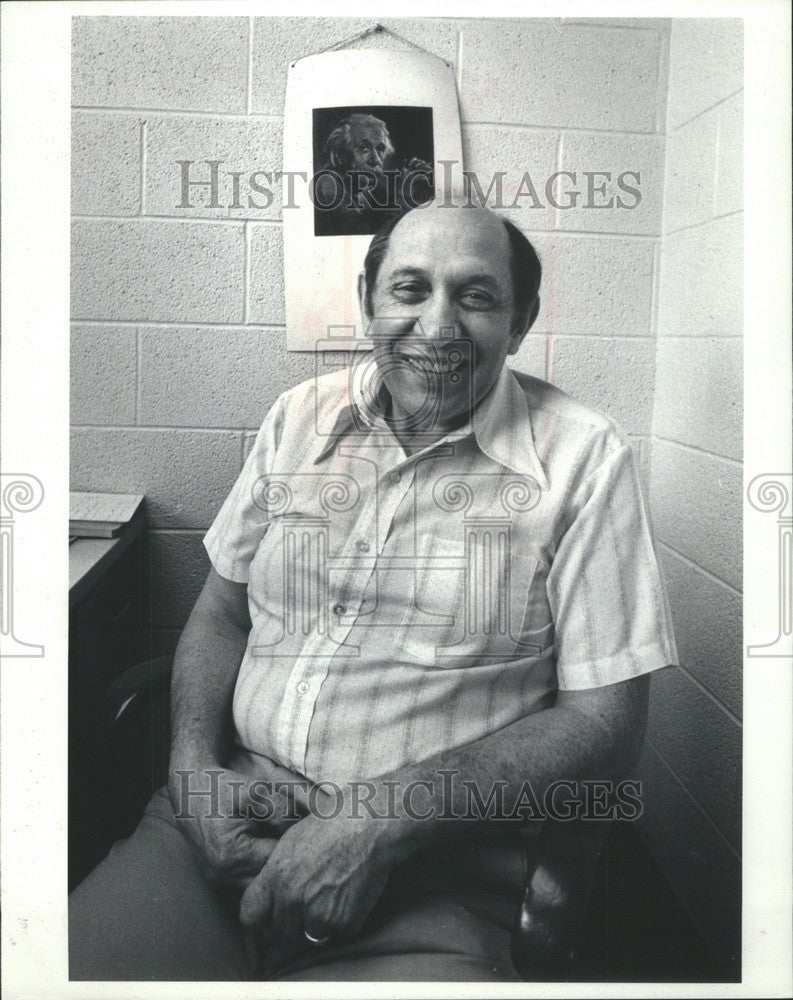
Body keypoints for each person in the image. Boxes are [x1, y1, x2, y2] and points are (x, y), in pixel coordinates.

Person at [69, 199, 677, 982]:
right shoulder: (297, 418)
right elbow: (222, 612)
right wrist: (189, 773)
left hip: (435, 876)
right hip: (216, 828)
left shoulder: (583, 460)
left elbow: (606, 724)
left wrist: (378, 818)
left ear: (520, 322)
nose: (436, 326)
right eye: (410, 289)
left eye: (476, 296)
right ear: (367, 301)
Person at [313, 112, 432, 235]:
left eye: (380, 149)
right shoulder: (328, 184)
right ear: (340, 153)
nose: (376, 160)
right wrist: (404, 195)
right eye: (364, 147)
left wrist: (419, 192)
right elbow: (371, 237)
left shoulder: (370, 187)